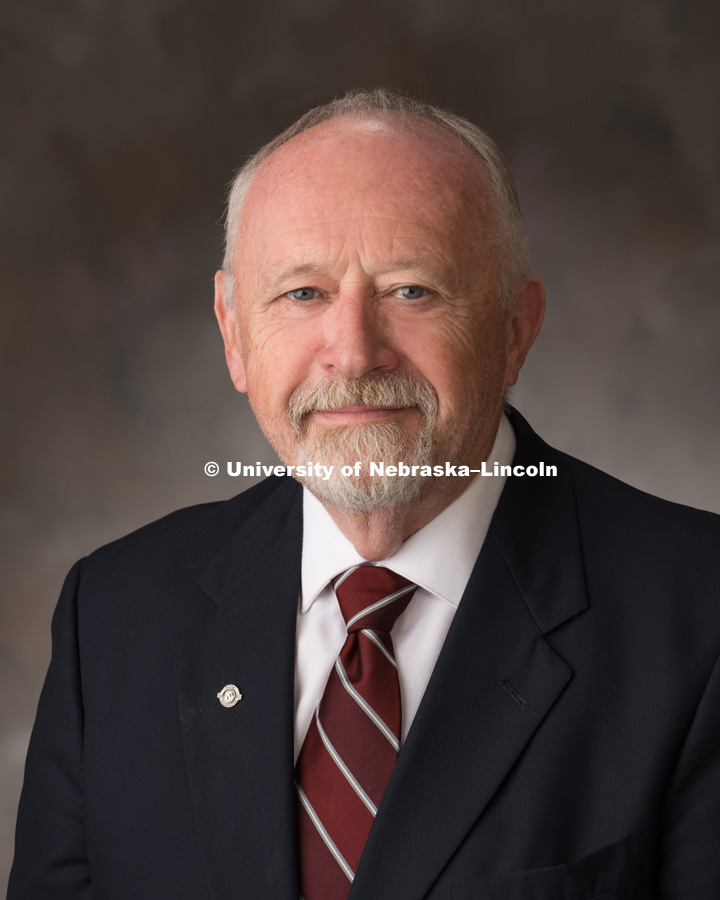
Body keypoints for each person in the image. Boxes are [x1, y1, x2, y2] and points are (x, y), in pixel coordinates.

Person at [8, 90, 720, 900]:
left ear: (515, 328)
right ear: (234, 335)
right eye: (302, 294)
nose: (353, 353)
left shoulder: (698, 617)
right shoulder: (114, 612)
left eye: (411, 290)